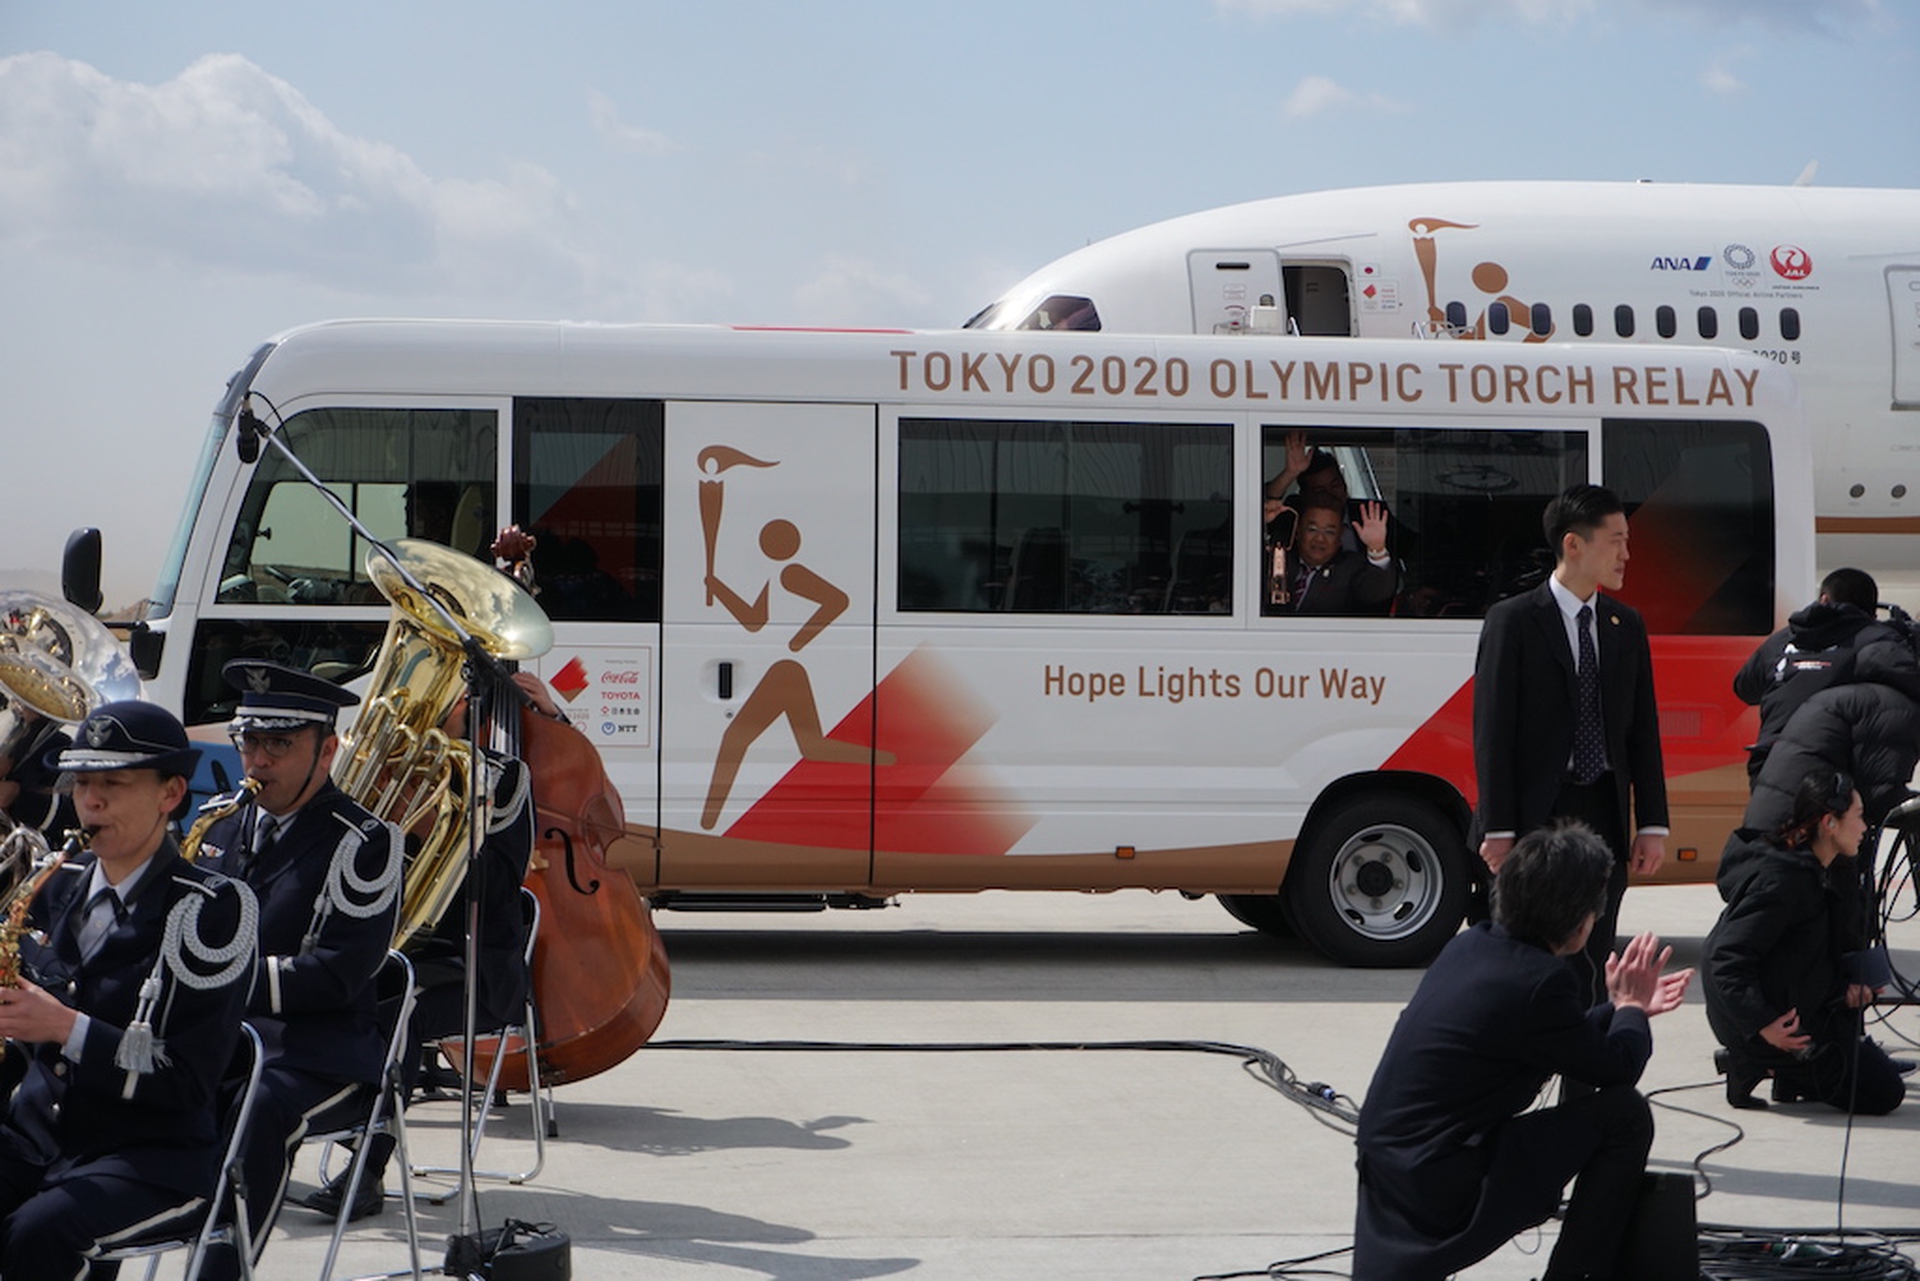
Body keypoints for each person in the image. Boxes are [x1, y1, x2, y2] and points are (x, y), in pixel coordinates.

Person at [1353, 821, 1692, 1281]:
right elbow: (1618, 1068)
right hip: (1440, 1182)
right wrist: (1630, 1007)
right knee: (1624, 1115)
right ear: (1580, 921)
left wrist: (1620, 1011)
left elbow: (1554, 1037)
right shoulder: (1542, 982)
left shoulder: (1471, 945)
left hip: (1389, 1165)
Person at [0, 700, 255, 1281]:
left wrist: (67, 1028)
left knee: (38, 1236)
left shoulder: (214, 909)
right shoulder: (51, 888)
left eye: (113, 783)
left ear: (170, 794)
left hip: (149, 1156)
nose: (90, 800)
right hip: (37, 1138)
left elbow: (190, 1078)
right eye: (83, 782)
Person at [190, 660, 403, 1274]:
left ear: (328, 750)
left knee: (257, 1109)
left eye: (279, 744)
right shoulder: (222, 825)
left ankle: (223, 1261)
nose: (257, 761)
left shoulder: (365, 842)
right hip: (225, 1038)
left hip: (316, 1051)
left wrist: (219, 983)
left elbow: (337, 973)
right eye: (249, 741)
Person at [301, 674, 538, 1221]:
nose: (434, 704)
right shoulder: (376, 770)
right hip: (384, 957)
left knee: (395, 1014)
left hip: (472, 968)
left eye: (450, 694)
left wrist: (438, 827)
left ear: (469, 705)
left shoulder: (504, 779)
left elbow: (504, 885)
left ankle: (366, 1170)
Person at [1472, 483, 1667, 1007]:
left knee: (1594, 963)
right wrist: (1498, 827)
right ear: (1574, 545)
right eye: (1617, 540)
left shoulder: (1625, 625)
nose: (1627, 553)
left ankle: (1587, 1088)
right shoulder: (1513, 620)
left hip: (1601, 809)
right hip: (1538, 814)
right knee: (1524, 965)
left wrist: (1651, 823)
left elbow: (1642, 731)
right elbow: (1492, 731)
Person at [1703, 768, 1905, 1114]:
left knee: (1876, 1079)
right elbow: (1726, 958)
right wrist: (1761, 1024)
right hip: (1769, 1026)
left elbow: (1804, 958)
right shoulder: (1782, 881)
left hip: (1799, 1010)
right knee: (1884, 1092)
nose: (1865, 828)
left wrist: (1847, 990)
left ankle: (1784, 1071)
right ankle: (1752, 1059)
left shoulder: (1812, 872)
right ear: (1829, 822)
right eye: (1858, 817)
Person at [1734, 567, 1920, 782]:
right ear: (1872, 612)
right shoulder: (1876, 639)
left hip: (1771, 759)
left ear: (1823, 599)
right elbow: (1908, 681)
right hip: (1831, 763)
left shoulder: (1782, 640)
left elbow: (1745, 689)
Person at [1272, 494, 1396, 615]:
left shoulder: (1350, 567)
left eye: (1330, 532)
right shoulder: (1277, 559)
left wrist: (1377, 548)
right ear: (1297, 531)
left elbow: (1377, 592)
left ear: (1340, 535)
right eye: (1312, 529)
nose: (1320, 539)